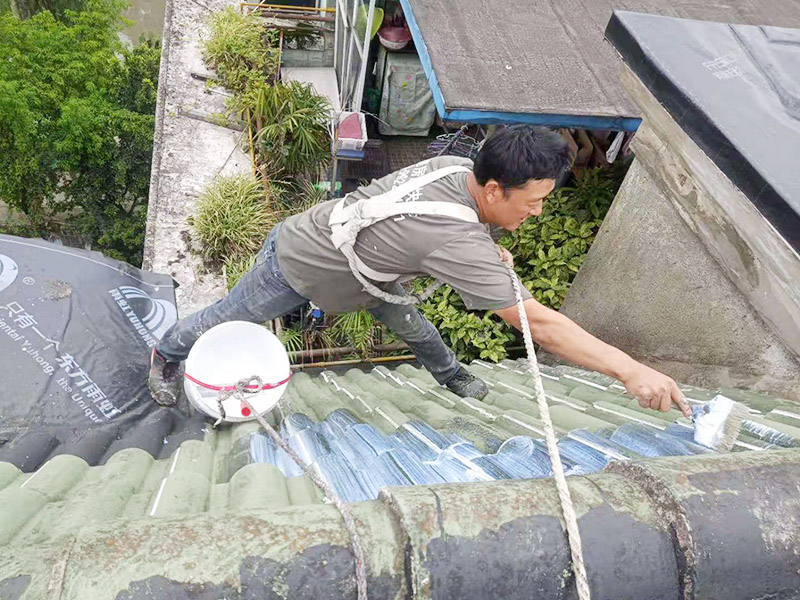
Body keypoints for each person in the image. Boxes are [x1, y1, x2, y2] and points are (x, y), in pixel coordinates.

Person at [149, 125, 692, 419]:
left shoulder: (460, 168)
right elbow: (540, 325)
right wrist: (629, 370)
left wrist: (483, 245)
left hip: (372, 277)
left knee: (419, 330)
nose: (539, 212)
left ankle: (452, 376)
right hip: (299, 261)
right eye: (534, 201)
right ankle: (166, 354)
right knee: (225, 319)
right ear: (495, 188)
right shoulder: (454, 237)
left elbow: (427, 222)